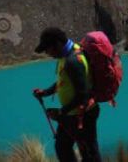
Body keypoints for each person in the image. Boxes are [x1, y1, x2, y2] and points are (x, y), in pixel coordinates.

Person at [32, 27, 101, 162]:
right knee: (63, 147)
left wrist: (60, 112)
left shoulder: (73, 61)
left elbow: (83, 95)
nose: (47, 53)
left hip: (82, 116)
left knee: (89, 153)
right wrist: (46, 92)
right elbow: (63, 81)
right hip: (71, 115)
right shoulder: (66, 55)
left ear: (57, 44)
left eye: (47, 49)